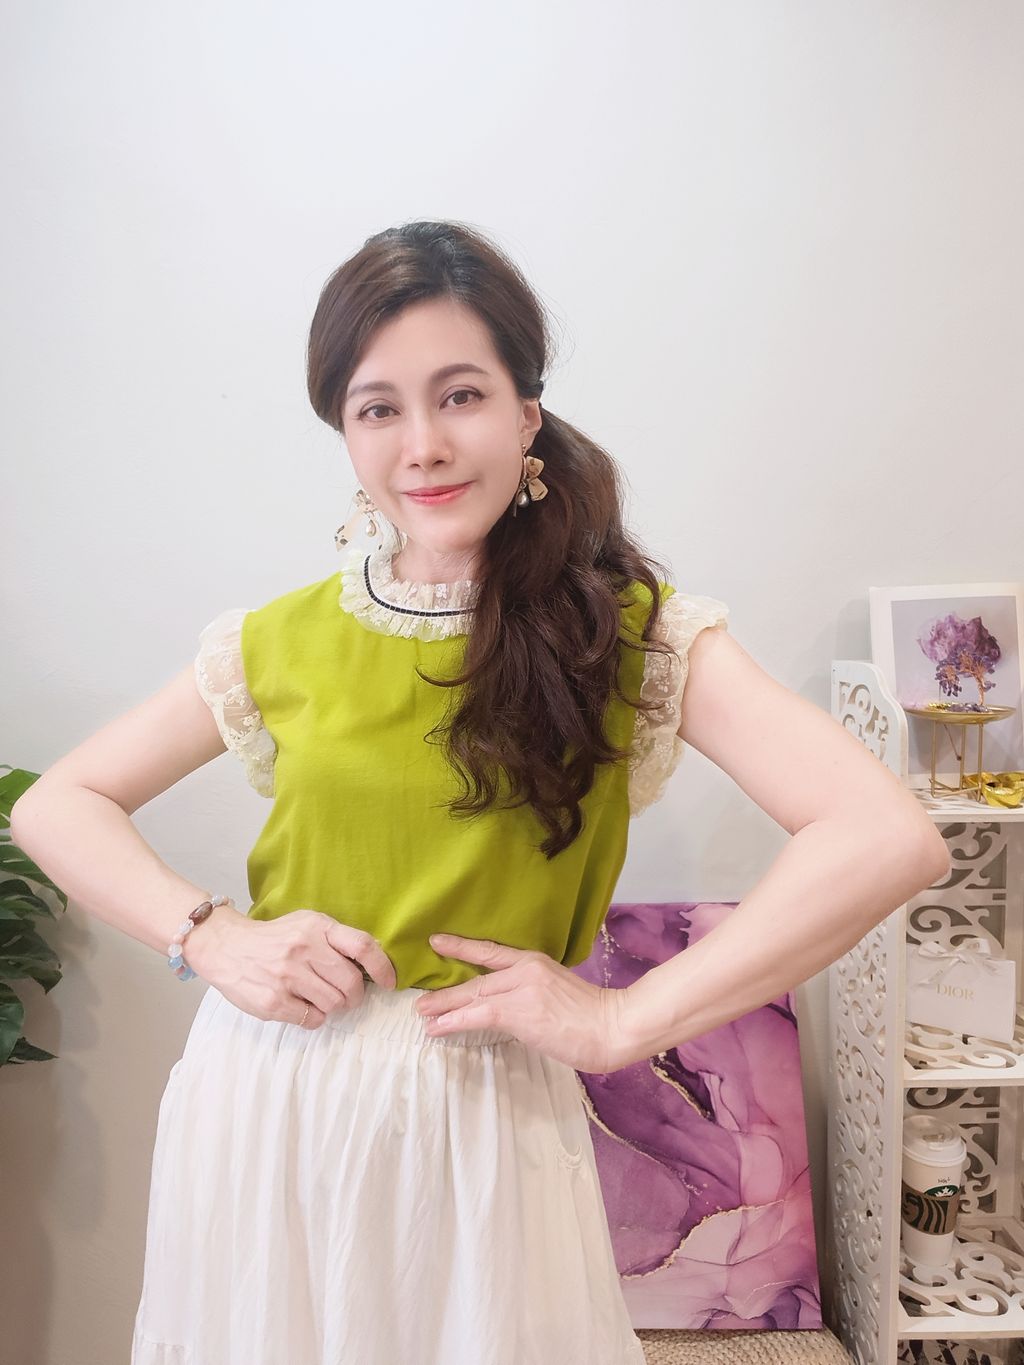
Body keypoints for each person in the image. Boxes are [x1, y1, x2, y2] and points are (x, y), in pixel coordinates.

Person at [10, 219, 950, 1365]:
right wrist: (208, 937)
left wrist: (623, 1021)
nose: (423, 445)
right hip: (266, 1100)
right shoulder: (275, 640)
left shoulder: (633, 637)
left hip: (482, 1121)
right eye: (378, 409)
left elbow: (883, 836)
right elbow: (57, 803)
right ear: (345, 433)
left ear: (525, 413)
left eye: (460, 395)